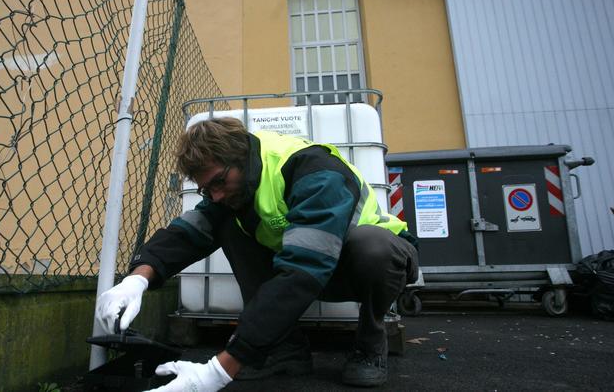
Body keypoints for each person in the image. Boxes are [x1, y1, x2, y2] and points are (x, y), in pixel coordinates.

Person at [96, 117, 419, 391]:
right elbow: (189, 231)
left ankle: (370, 343)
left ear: (241, 157)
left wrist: (220, 369)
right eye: (208, 189)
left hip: (362, 269)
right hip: (307, 271)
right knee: (227, 224)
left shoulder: (314, 171)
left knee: (373, 247)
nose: (215, 195)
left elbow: (304, 267)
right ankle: (285, 349)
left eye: (219, 182)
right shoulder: (237, 185)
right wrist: (137, 279)